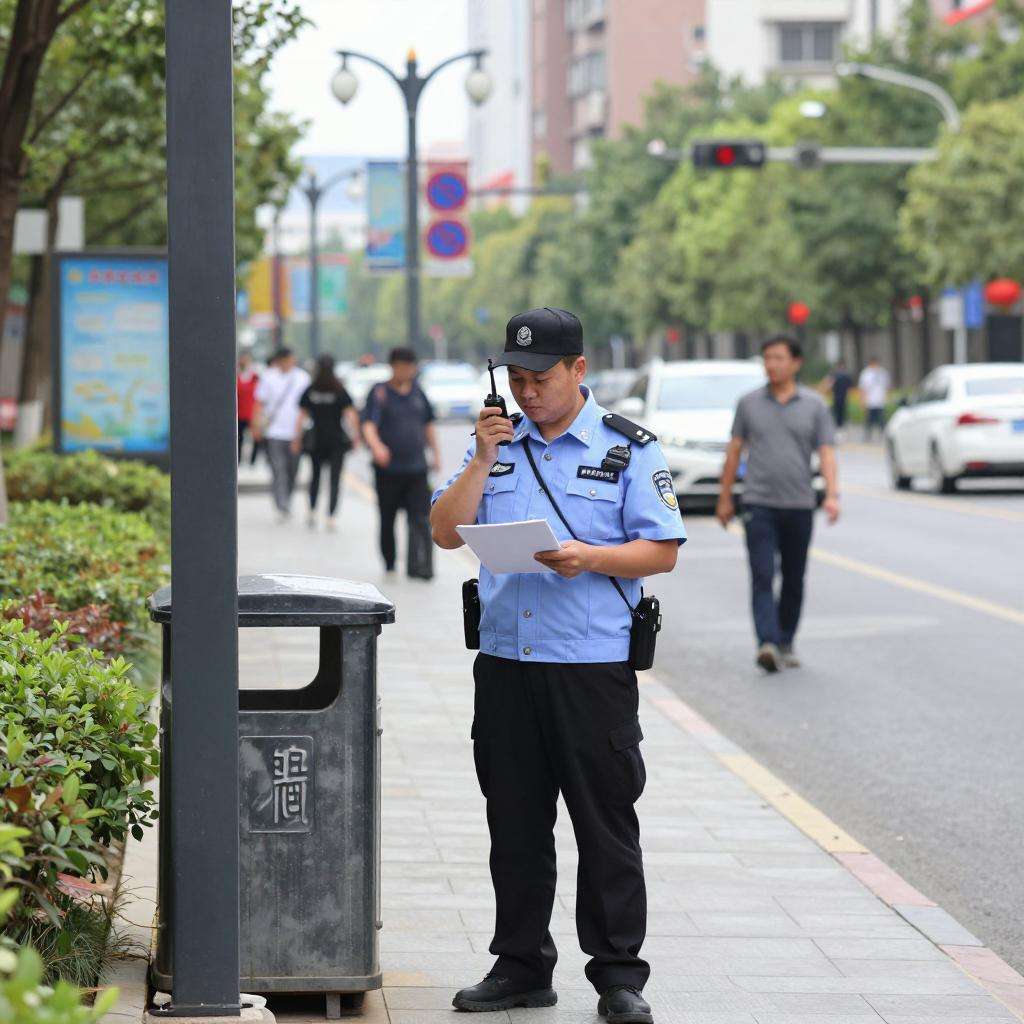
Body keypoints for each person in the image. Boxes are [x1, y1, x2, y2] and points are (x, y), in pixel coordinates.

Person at [430, 307, 686, 1024]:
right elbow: (446, 531)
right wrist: (481, 459)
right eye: (515, 378)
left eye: (540, 377)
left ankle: (618, 977)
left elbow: (661, 548)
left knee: (604, 825)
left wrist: (590, 558)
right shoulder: (497, 445)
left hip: (590, 668)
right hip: (507, 666)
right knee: (514, 822)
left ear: (578, 370)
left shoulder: (627, 449)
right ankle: (519, 965)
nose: (527, 392)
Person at [716, 335, 840, 674]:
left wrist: (832, 494)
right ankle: (766, 643)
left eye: (779, 358)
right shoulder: (749, 403)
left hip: (799, 503)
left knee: (794, 577)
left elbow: (827, 452)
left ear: (796, 363)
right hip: (758, 503)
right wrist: (725, 497)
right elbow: (735, 451)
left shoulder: (814, 405)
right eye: (767, 358)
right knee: (762, 574)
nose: (772, 364)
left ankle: (786, 640)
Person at [361, 347, 441, 579]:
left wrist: (435, 454)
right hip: (388, 470)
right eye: (402, 366)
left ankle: (421, 567)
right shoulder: (379, 393)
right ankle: (390, 564)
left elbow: (428, 424)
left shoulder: (418, 392)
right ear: (393, 366)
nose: (407, 371)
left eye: (410, 367)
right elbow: (368, 424)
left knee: (421, 519)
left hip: (417, 469)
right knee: (388, 518)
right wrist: (377, 447)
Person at [293, 354, 361, 531]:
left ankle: (312, 512)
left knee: (315, 477)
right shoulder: (339, 389)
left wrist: (297, 438)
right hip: (336, 440)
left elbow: (302, 416)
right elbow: (350, 414)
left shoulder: (312, 389)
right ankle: (331, 516)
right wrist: (355, 437)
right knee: (334, 479)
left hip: (316, 440)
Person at [252, 347, 310, 523]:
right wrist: (256, 426)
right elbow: (259, 403)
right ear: (279, 360)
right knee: (278, 470)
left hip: (296, 433)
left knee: (292, 470)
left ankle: (287, 499)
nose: (288, 363)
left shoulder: (302, 378)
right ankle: (281, 504)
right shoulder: (269, 377)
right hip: (274, 432)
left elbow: (307, 407)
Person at [858, 356, 890, 442]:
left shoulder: (883, 373)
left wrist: (886, 397)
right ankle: (867, 436)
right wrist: (862, 401)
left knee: (882, 419)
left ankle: (883, 435)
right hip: (870, 401)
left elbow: (886, 386)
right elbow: (862, 388)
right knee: (869, 420)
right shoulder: (866, 373)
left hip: (880, 400)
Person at [236, 351, 260, 464]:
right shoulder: (236, 376)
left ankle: (253, 460)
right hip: (239, 413)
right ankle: (238, 459)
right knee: (239, 438)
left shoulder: (255, 377)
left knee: (255, 437)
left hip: (252, 413)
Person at [825, 360, 853, 436]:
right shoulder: (846, 375)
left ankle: (838, 428)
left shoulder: (834, 375)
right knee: (841, 413)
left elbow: (829, 386)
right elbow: (850, 388)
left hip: (837, 397)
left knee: (837, 413)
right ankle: (840, 428)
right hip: (842, 397)